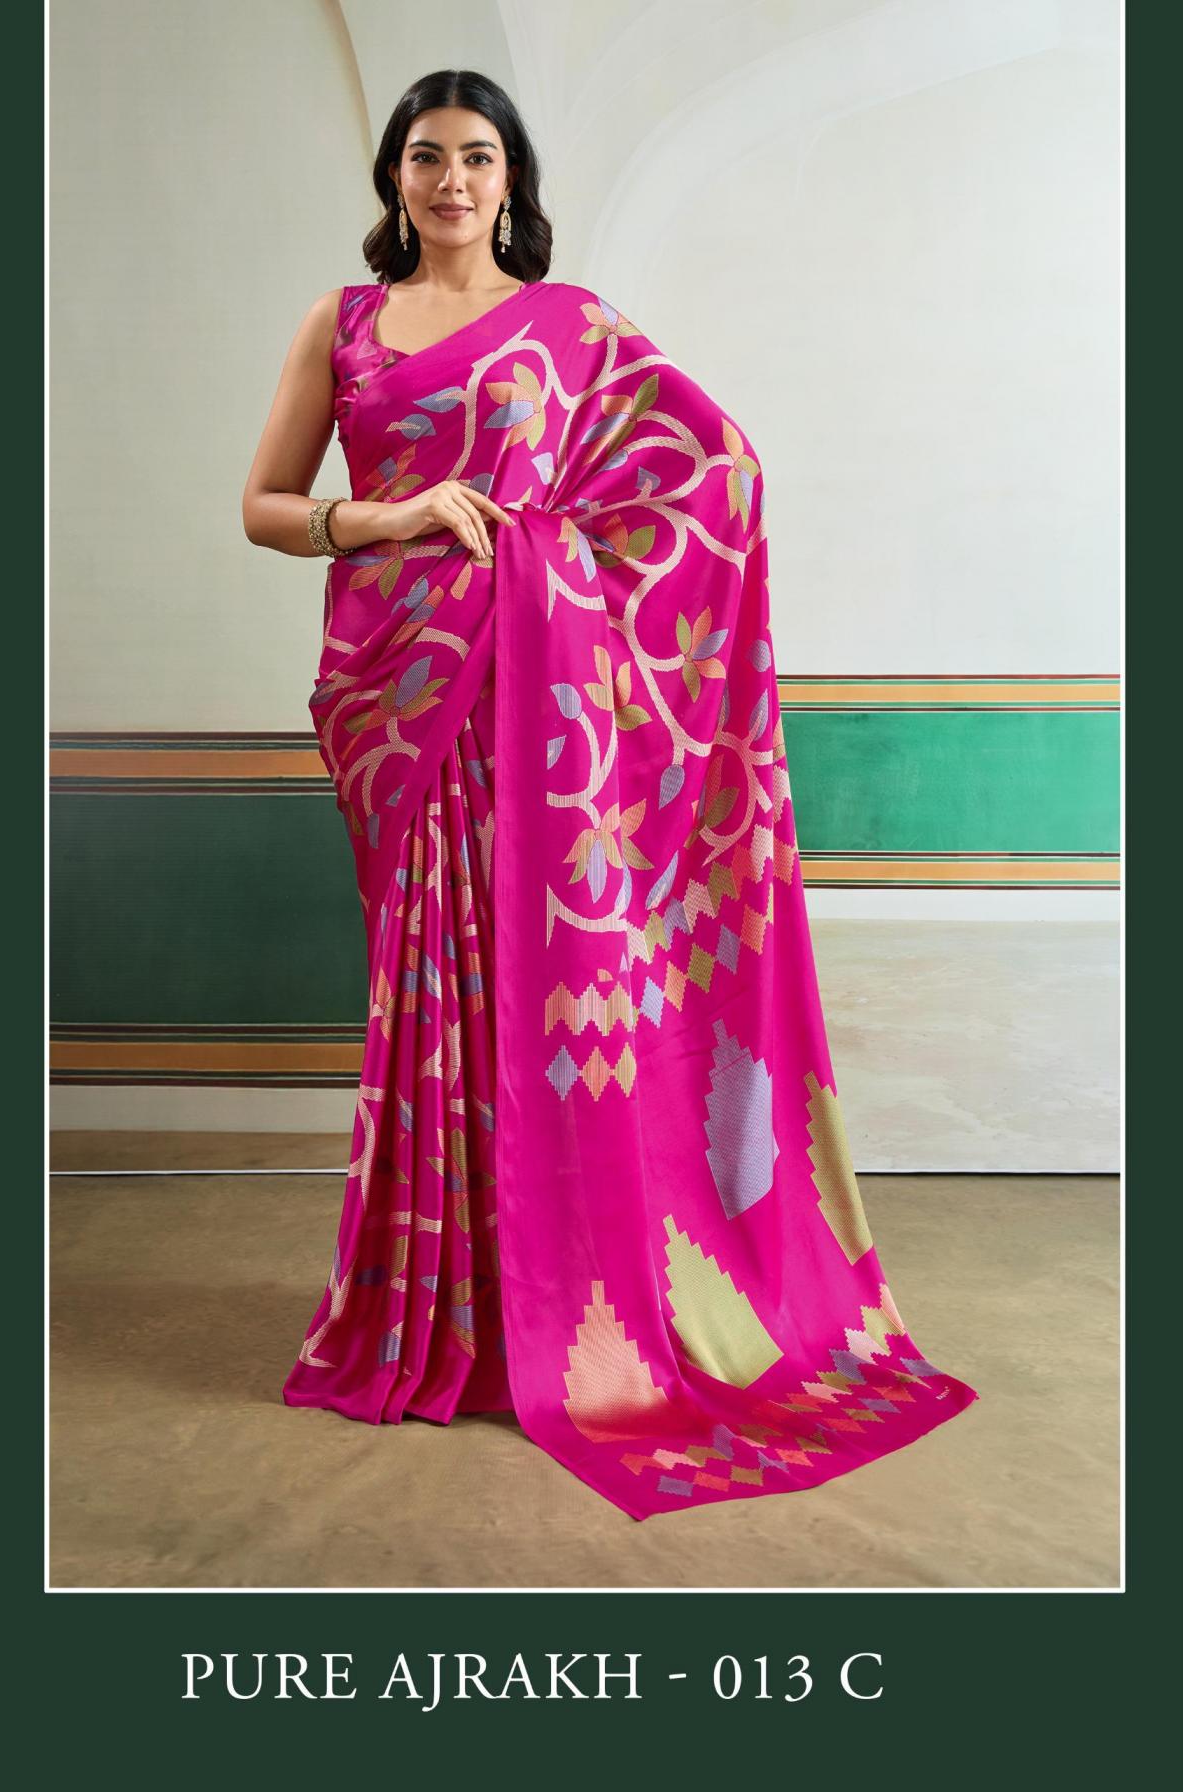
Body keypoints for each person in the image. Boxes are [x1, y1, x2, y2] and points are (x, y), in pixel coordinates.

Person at [242, 68, 978, 1521]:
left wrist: (553, 567)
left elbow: (716, 474)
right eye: (425, 156)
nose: (451, 180)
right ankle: (440, 1313)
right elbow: (263, 506)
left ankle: (557, 1300)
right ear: (392, 177)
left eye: (477, 157)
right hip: (401, 699)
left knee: (535, 986)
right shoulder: (343, 325)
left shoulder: (572, 328)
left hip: (534, 701)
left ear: (511, 179)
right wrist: (393, 514)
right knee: (429, 996)